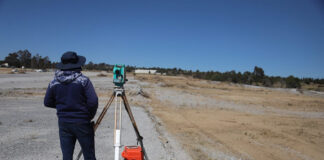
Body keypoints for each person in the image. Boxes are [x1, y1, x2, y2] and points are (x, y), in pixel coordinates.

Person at [44, 51, 98, 160]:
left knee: (67, 156)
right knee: (89, 155)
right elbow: (93, 101)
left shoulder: (54, 82)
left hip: (64, 123)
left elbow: (47, 102)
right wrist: (88, 115)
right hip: (82, 122)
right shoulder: (83, 81)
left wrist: (63, 106)